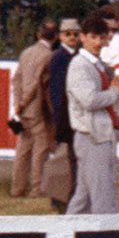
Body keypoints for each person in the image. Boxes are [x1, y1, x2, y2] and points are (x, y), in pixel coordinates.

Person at [65, 12, 119, 215]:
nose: (98, 42)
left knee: (82, 199)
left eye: (101, 37)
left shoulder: (96, 63)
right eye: (93, 37)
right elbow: (90, 100)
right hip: (91, 136)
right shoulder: (79, 65)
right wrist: (114, 91)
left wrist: (113, 115)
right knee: (102, 197)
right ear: (82, 37)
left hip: (97, 134)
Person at [10, 18, 57, 197]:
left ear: (38, 34)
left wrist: (17, 104)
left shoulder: (26, 53)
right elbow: (36, 84)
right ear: (55, 38)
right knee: (40, 151)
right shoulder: (49, 56)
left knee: (22, 150)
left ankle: (17, 188)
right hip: (37, 109)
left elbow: (17, 80)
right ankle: (36, 189)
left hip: (23, 111)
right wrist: (24, 102)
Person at [44, 17, 81, 209]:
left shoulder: (78, 55)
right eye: (68, 34)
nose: (72, 37)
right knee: (63, 160)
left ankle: (66, 197)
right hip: (65, 117)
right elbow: (56, 91)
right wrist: (60, 119)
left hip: (74, 115)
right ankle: (58, 197)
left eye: (75, 34)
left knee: (71, 161)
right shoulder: (59, 57)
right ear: (60, 36)